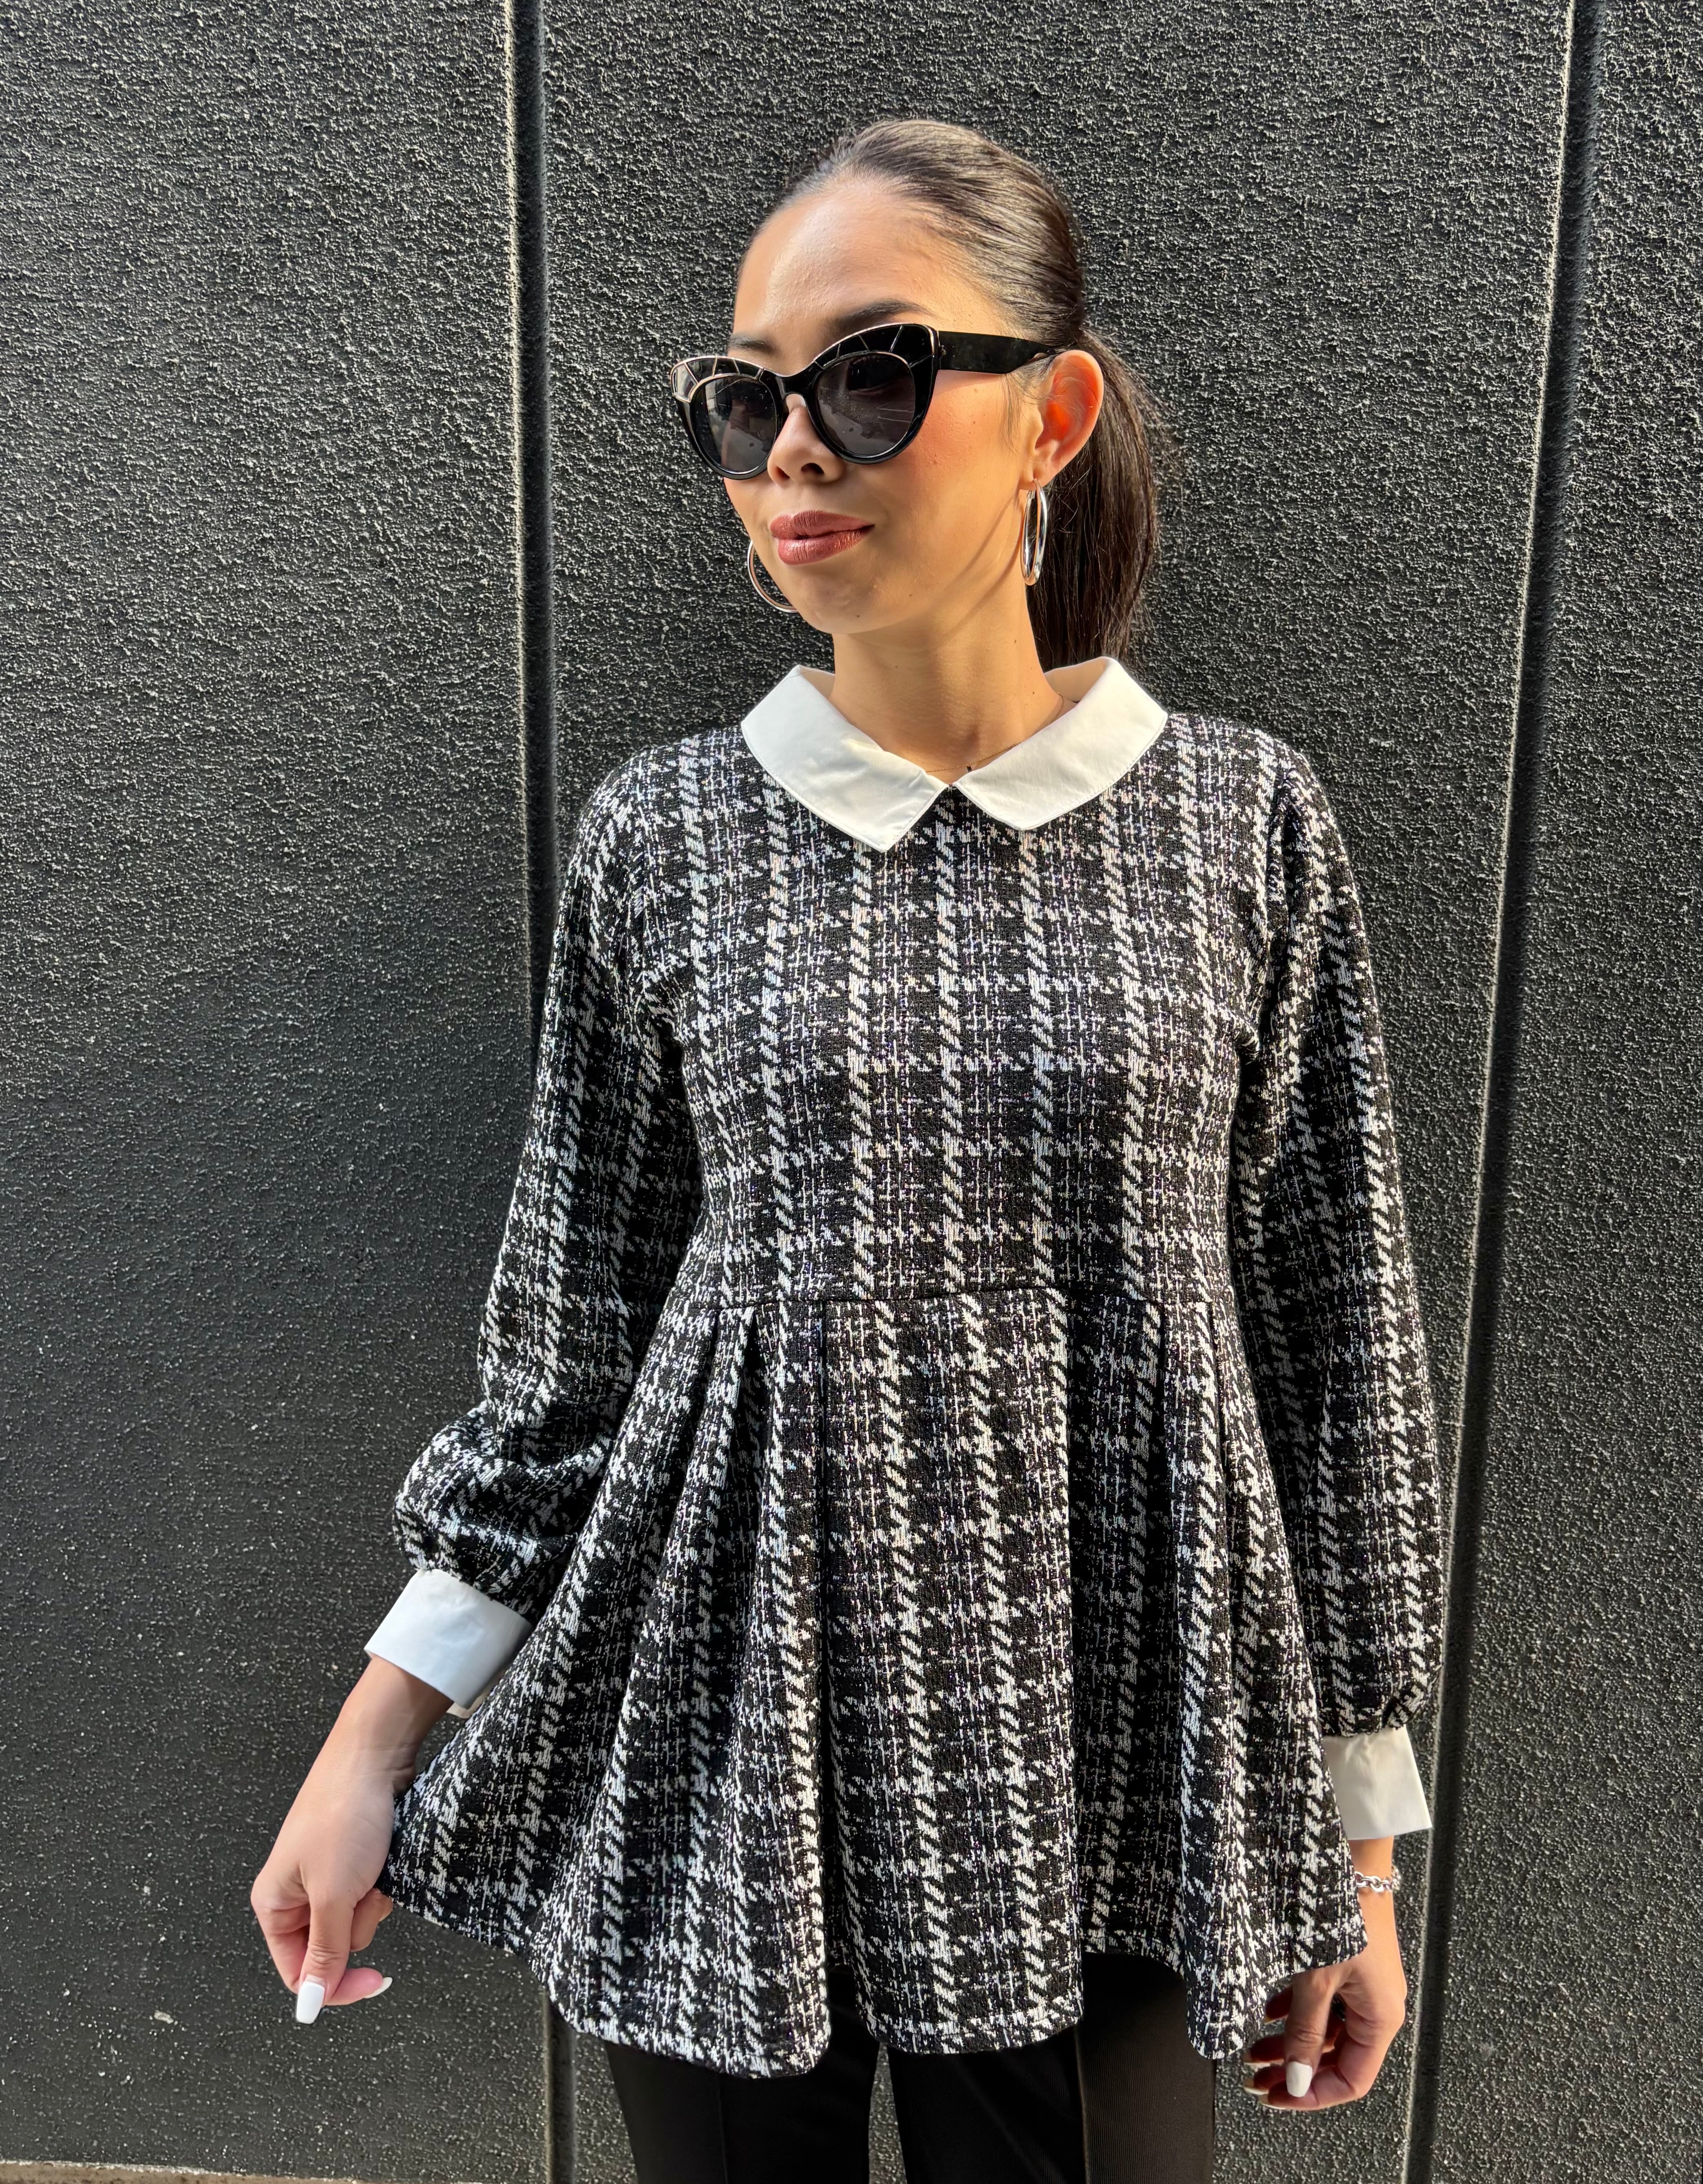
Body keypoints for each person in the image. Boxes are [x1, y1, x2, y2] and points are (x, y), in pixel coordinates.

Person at [252, 118, 1444, 2183]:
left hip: (1118, 1743)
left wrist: (1355, 1841)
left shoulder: (1243, 823)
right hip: (726, 1729)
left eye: (871, 376)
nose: (794, 445)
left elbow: (1336, 1352)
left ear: (1049, 414)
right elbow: (568, 1353)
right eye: (744, 400)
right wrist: (371, 1747)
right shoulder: (664, 838)